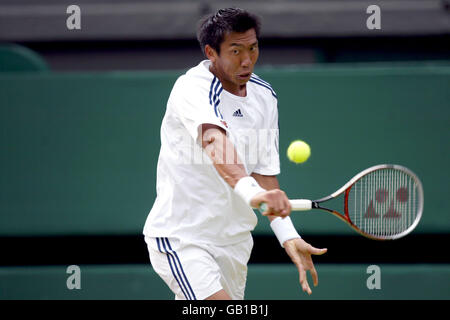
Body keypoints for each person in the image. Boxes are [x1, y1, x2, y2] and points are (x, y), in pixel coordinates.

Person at [143, 7, 327, 300]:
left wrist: (288, 234)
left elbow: (264, 174)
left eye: (253, 48)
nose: (247, 60)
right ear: (211, 53)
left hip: (235, 243)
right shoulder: (191, 88)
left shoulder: (264, 96)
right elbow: (217, 144)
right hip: (184, 237)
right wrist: (252, 194)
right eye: (236, 50)